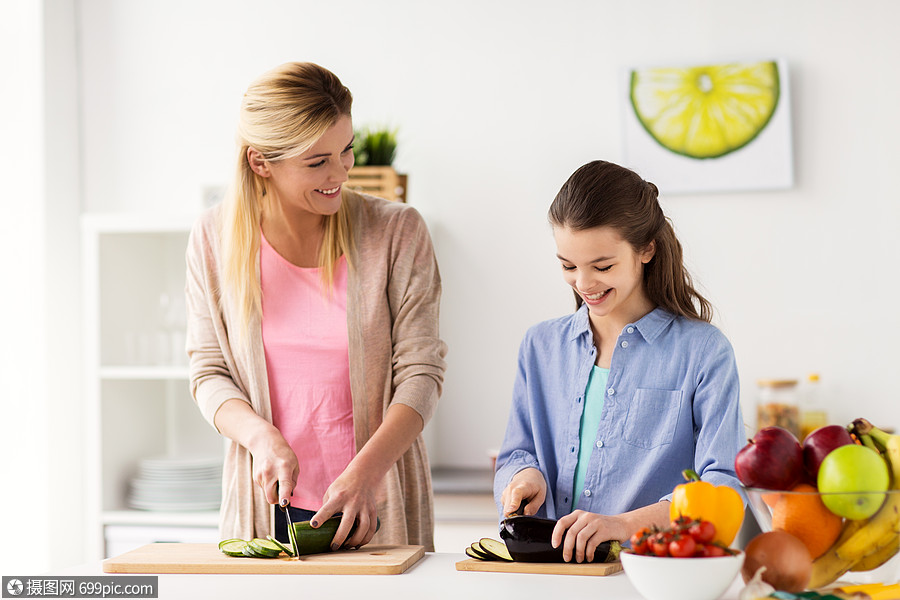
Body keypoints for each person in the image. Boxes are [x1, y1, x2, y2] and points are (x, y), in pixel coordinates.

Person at [185, 62, 447, 551]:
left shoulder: (397, 232)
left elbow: (421, 373)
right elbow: (208, 371)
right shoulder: (213, 239)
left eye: (346, 150)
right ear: (261, 162)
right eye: (317, 161)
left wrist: (365, 474)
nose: (341, 172)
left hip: (374, 503)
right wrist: (262, 438)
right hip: (266, 509)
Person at [494, 160, 744, 563]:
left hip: (652, 577)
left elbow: (723, 487)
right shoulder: (540, 347)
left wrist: (624, 525)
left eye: (603, 266)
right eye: (568, 265)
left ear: (646, 249)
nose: (584, 284)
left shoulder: (703, 352)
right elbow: (517, 454)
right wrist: (523, 477)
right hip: (550, 578)